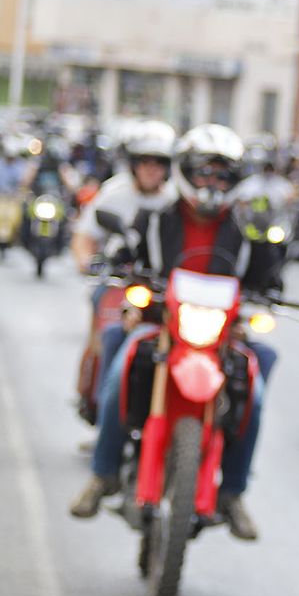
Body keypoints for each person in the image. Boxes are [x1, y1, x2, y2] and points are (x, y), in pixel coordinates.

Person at [68, 125, 282, 540]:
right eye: (204, 173)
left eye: (221, 175)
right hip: (161, 327)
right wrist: (123, 277)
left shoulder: (245, 229)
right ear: (186, 172)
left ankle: (233, 493)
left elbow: (267, 275)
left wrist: (267, 294)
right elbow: (125, 256)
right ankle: (103, 474)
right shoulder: (154, 219)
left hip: (220, 337)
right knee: (119, 363)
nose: (211, 184)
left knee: (254, 387)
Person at [70, 120, 178, 406]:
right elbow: (84, 235)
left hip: (163, 288)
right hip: (119, 279)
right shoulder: (114, 192)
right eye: (145, 161)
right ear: (133, 164)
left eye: (159, 162)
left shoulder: (176, 200)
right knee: (108, 331)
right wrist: (86, 262)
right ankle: (96, 398)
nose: (151, 168)